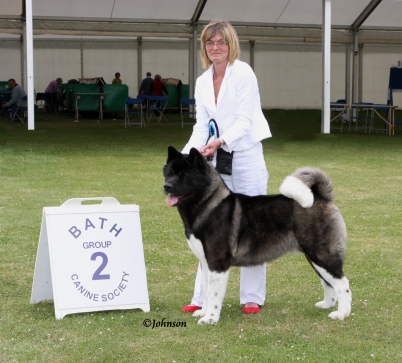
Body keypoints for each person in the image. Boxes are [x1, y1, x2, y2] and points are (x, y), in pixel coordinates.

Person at [181, 20, 272, 315]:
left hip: (246, 156)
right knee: (209, 228)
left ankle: (252, 297)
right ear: (204, 47)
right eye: (210, 43)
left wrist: (220, 141)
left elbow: (245, 120)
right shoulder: (202, 81)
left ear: (231, 44)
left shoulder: (243, 73)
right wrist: (186, 155)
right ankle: (201, 297)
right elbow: (201, 126)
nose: (215, 48)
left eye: (221, 42)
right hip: (219, 162)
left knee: (252, 227)